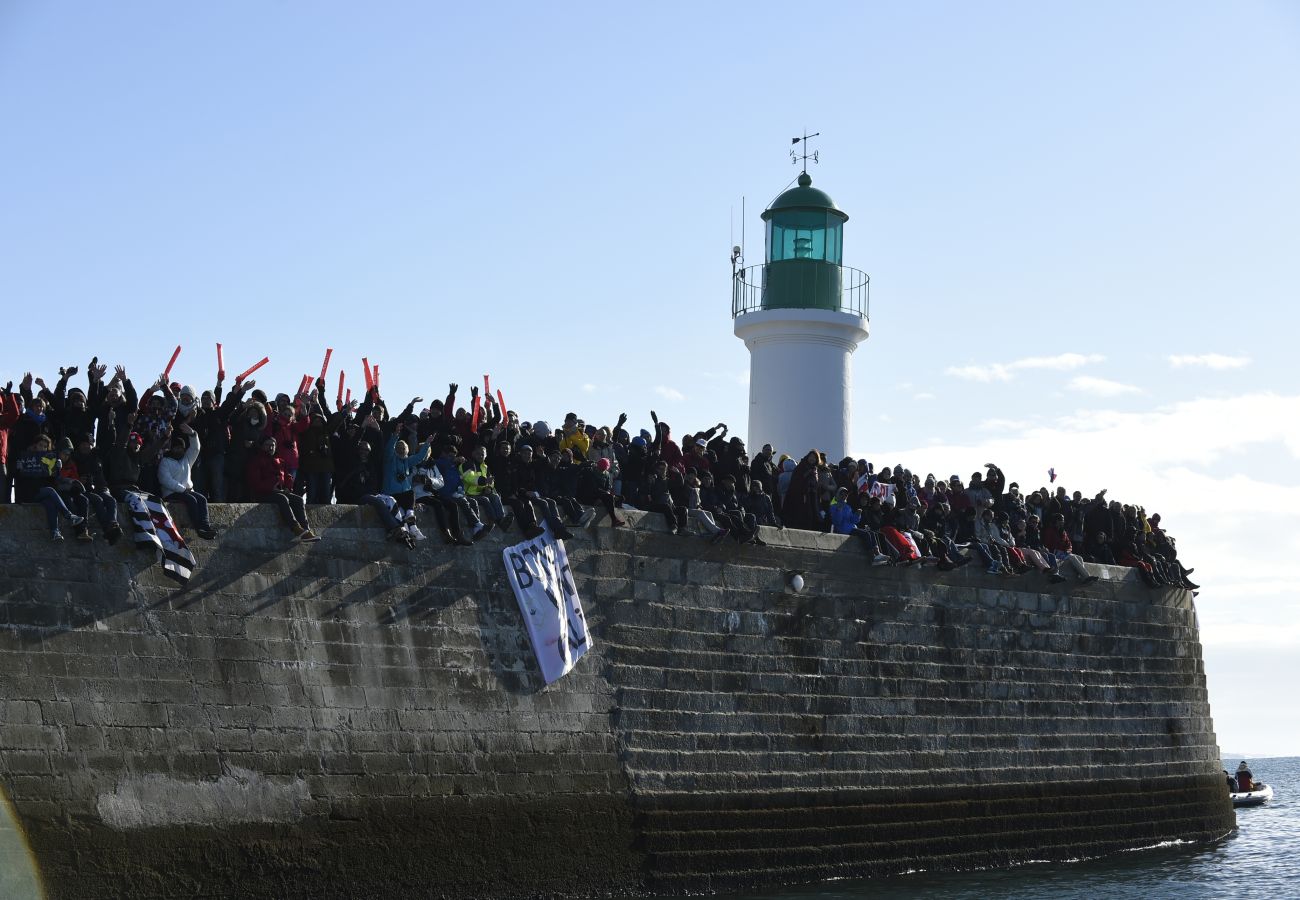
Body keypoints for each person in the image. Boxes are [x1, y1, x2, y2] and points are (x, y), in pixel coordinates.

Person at [246, 436, 320, 542]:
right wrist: (272, 487)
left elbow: (288, 477)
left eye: (273, 445)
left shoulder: (280, 461)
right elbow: (254, 482)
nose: (271, 448)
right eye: (267, 445)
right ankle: (296, 529)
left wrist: (287, 487)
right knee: (282, 498)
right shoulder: (256, 461)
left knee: (298, 499)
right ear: (262, 446)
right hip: (262, 494)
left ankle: (306, 531)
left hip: (279, 492)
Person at [158, 423, 217, 540]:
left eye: (180, 448)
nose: (178, 450)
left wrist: (193, 434)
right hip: (171, 493)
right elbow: (165, 480)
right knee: (192, 500)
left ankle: (206, 527)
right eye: (176, 448)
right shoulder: (165, 461)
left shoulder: (187, 459)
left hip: (187, 491)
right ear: (172, 448)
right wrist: (183, 489)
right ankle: (198, 528)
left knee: (202, 499)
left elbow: (196, 448)